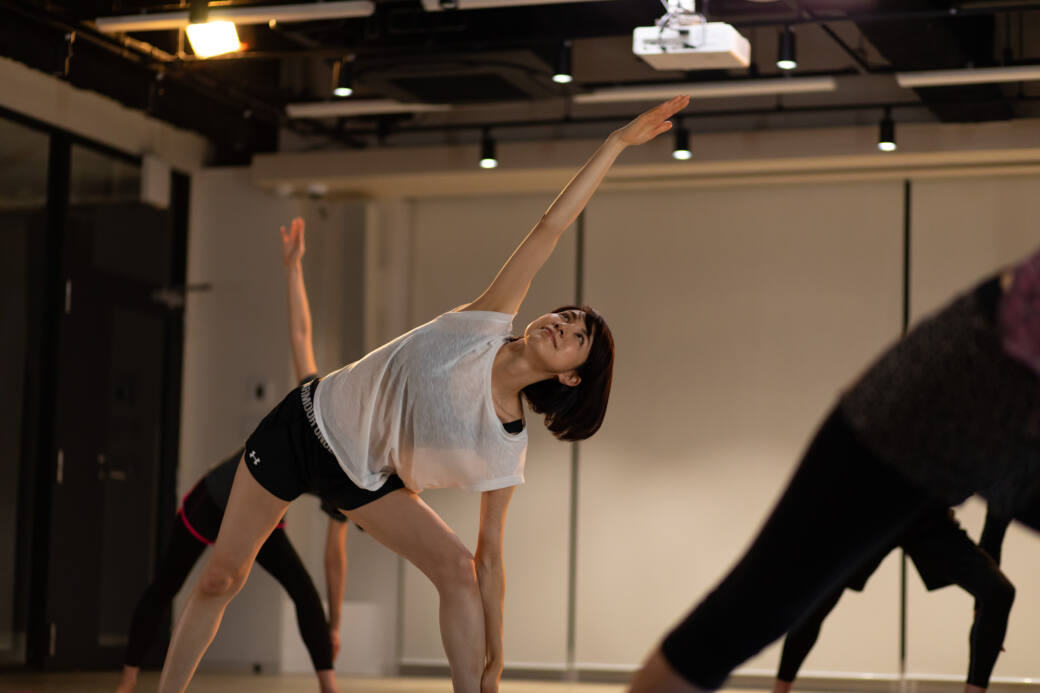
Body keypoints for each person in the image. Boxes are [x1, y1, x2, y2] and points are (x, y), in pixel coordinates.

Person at [156, 95, 690, 693]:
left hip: (363, 478)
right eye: (565, 316)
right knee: (223, 578)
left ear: (570, 377)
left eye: (576, 338)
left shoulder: (505, 447)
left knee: (457, 568)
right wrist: (615, 144)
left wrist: (496, 658)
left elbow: (490, 560)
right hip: (306, 424)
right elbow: (552, 225)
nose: (561, 326)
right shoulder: (485, 322)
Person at [629, 246, 1040, 693]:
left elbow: (1001, 496)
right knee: (763, 605)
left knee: (997, 591)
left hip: (979, 449)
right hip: (921, 404)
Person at [116, 219, 348, 693]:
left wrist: (336, 624)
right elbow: (301, 335)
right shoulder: (317, 403)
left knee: (303, 592)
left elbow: (335, 556)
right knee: (167, 584)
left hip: (262, 511)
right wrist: (293, 269)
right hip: (216, 496)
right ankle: (127, 681)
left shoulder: (350, 470)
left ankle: (329, 686)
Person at [771, 506, 1013, 693]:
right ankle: (780, 689)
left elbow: (996, 522)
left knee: (1000, 592)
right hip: (875, 505)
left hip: (926, 515)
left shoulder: (1002, 468)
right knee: (820, 596)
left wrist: (981, 606)